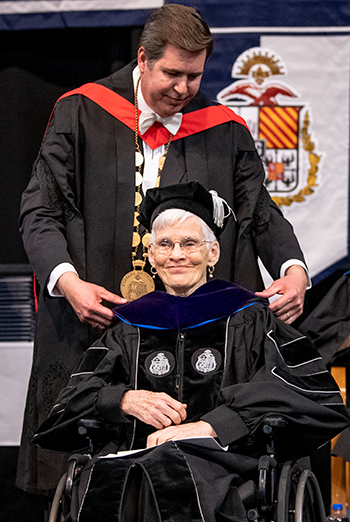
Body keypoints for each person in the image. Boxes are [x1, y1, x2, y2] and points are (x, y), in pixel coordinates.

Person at [18, 3, 309, 495]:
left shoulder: (224, 129)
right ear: (143, 59)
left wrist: (293, 268)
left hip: (192, 337)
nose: (182, 89)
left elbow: (262, 213)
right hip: (99, 321)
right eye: (172, 73)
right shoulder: (81, 112)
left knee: (189, 478)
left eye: (193, 76)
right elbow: (40, 210)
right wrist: (68, 282)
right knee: (85, 471)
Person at [34, 182, 349, 522]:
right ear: (152, 255)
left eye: (190, 243)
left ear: (213, 253)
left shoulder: (248, 317)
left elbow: (307, 396)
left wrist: (214, 425)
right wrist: (123, 400)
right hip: (133, 458)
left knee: (169, 476)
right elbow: (68, 407)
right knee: (108, 479)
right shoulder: (129, 326)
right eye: (165, 244)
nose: (177, 254)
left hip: (224, 465)